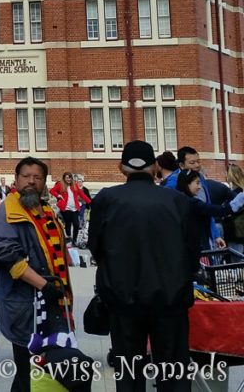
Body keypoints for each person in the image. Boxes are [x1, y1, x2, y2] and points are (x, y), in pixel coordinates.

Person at [88, 140, 200, 392]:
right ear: (155, 167)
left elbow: (95, 247)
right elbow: (193, 249)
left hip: (122, 297)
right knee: (173, 372)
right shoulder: (176, 200)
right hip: (170, 298)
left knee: (128, 373)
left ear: (121, 167)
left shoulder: (107, 198)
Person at [0, 157, 74, 392]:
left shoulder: (46, 209)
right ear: (15, 180)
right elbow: (4, 254)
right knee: (29, 371)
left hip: (52, 304)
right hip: (26, 305)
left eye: (37, 177)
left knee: (39, 373)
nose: (31, 181)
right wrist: (43, 286)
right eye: (25, 176)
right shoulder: (9, 209)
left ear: (44, 182)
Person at [175, 169, 244, 250]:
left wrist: (216, 236)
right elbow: (220, 211)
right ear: (187, 184)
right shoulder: (193, 203)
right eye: (197, 183)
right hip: (198, 248)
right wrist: (240, 198)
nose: (200, 186)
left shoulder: (179, 200)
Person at [49, 172, 91, 244]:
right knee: (68, 224)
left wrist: (90, 202)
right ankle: (68, 236)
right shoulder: (60, 185)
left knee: (76, 224)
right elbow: (51, 191)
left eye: (70, 178)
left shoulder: (75, 185)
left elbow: (82, 195)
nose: (68, 179)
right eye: (67, 178)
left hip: (74, 208)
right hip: (66, 209)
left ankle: (74, 240)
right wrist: (58, 195)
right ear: (64, 178)